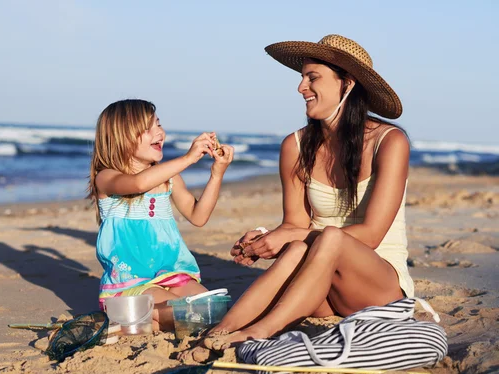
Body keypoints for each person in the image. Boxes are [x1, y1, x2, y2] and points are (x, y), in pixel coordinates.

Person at [183, 34, 415, 356]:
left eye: (312, 77)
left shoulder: (389, 142)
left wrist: (291, 236)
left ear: (347, 84)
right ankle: (220, 332)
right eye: (302, 77)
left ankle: (258, 332)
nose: (301, 87)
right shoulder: (295, 146)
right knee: (294, 249)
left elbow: (372, 234)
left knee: (329, 238)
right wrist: (269, 239)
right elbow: (295, 224)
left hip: (376, 288)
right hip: (321, 296)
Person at [89, 99, 234, 331]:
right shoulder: (106, 177)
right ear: (121, 137)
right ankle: (130, 312)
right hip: (133, 281)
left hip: (172, 272)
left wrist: (217, 174)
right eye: (149, 128)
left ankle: (140, 317)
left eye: (159, 124)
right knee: (180, 312)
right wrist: (188, 158)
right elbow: (138, 184)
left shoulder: (169, 177)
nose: (160, 132)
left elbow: (198, 216)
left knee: (212, 309)